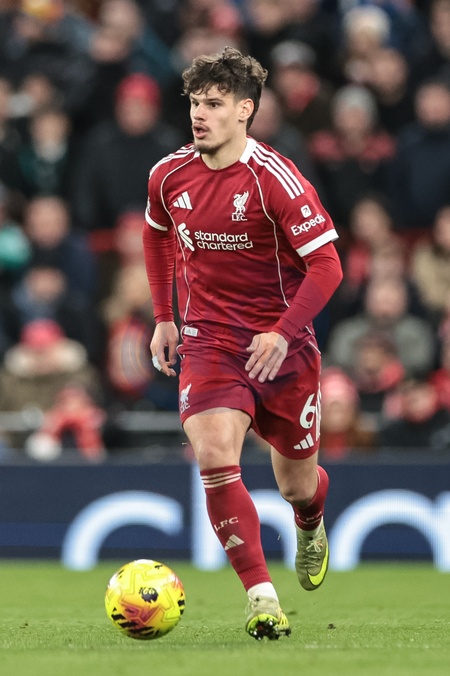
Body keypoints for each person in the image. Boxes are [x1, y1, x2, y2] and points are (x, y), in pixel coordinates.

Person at [142, 47, 343, 640]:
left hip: (282, 347)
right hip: (208, 340)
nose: (198, 114)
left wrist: (283, 332)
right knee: (212, 454)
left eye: (213, 104)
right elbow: (156, 234)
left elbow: (328, 266)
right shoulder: (168, 175)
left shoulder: (274, 178)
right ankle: (262, 599)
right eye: (194, 103)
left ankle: (311, 519)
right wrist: (164, 316)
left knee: (295, 485)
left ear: (245, 110)